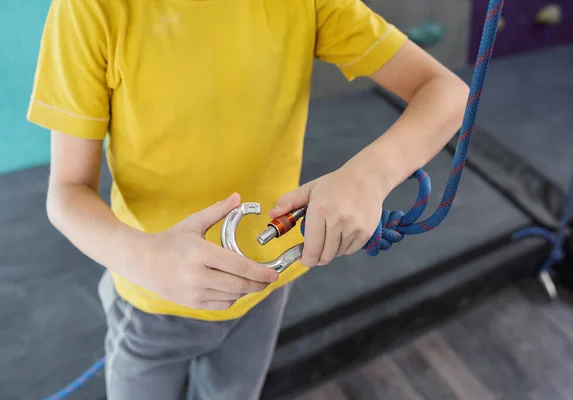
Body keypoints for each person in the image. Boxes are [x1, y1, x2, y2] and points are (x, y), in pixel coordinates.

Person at [27, 0, 469, 399]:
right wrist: (146, 260)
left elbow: (446, 91)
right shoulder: (89, 9)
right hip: (151, 307)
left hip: (265, 287)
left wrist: (371, 175)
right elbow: (67, 191)